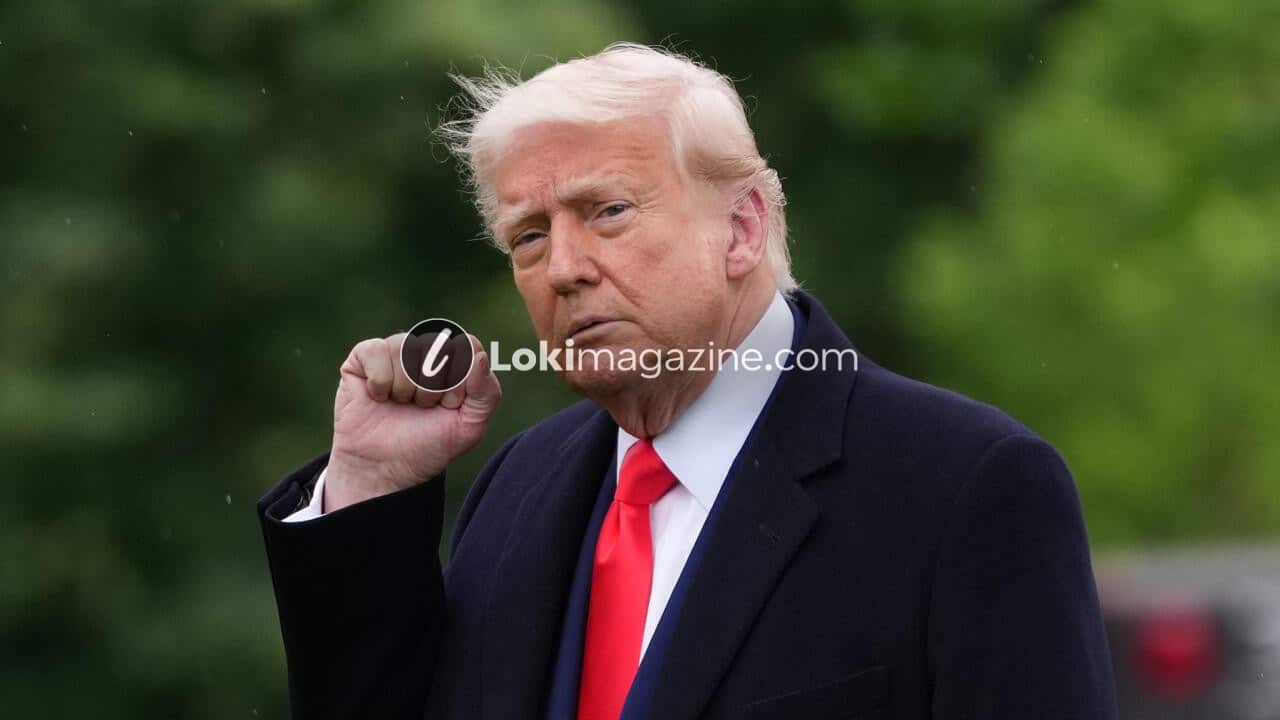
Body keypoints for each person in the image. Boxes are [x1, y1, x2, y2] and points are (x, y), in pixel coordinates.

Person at [258, 43, 1118, 720]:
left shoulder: (967, 486)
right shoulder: (518, 488)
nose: (562, 268)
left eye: (608, 211)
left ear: (742, 228)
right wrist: (369, 486)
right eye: (529, 236)